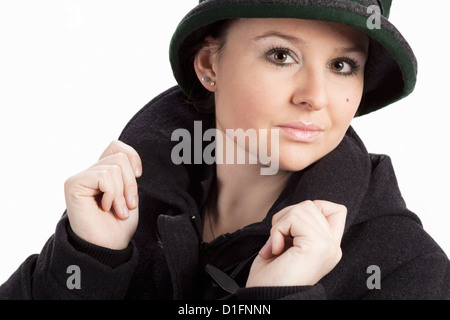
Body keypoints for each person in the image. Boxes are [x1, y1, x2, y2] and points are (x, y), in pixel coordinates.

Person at [1, 0, 449, 300]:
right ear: (208, 65)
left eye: (341, 65)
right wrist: (91, 259)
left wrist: (274, 300)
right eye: (281, 55)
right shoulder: (125, 206)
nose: (316, 95)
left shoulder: (406, 267)